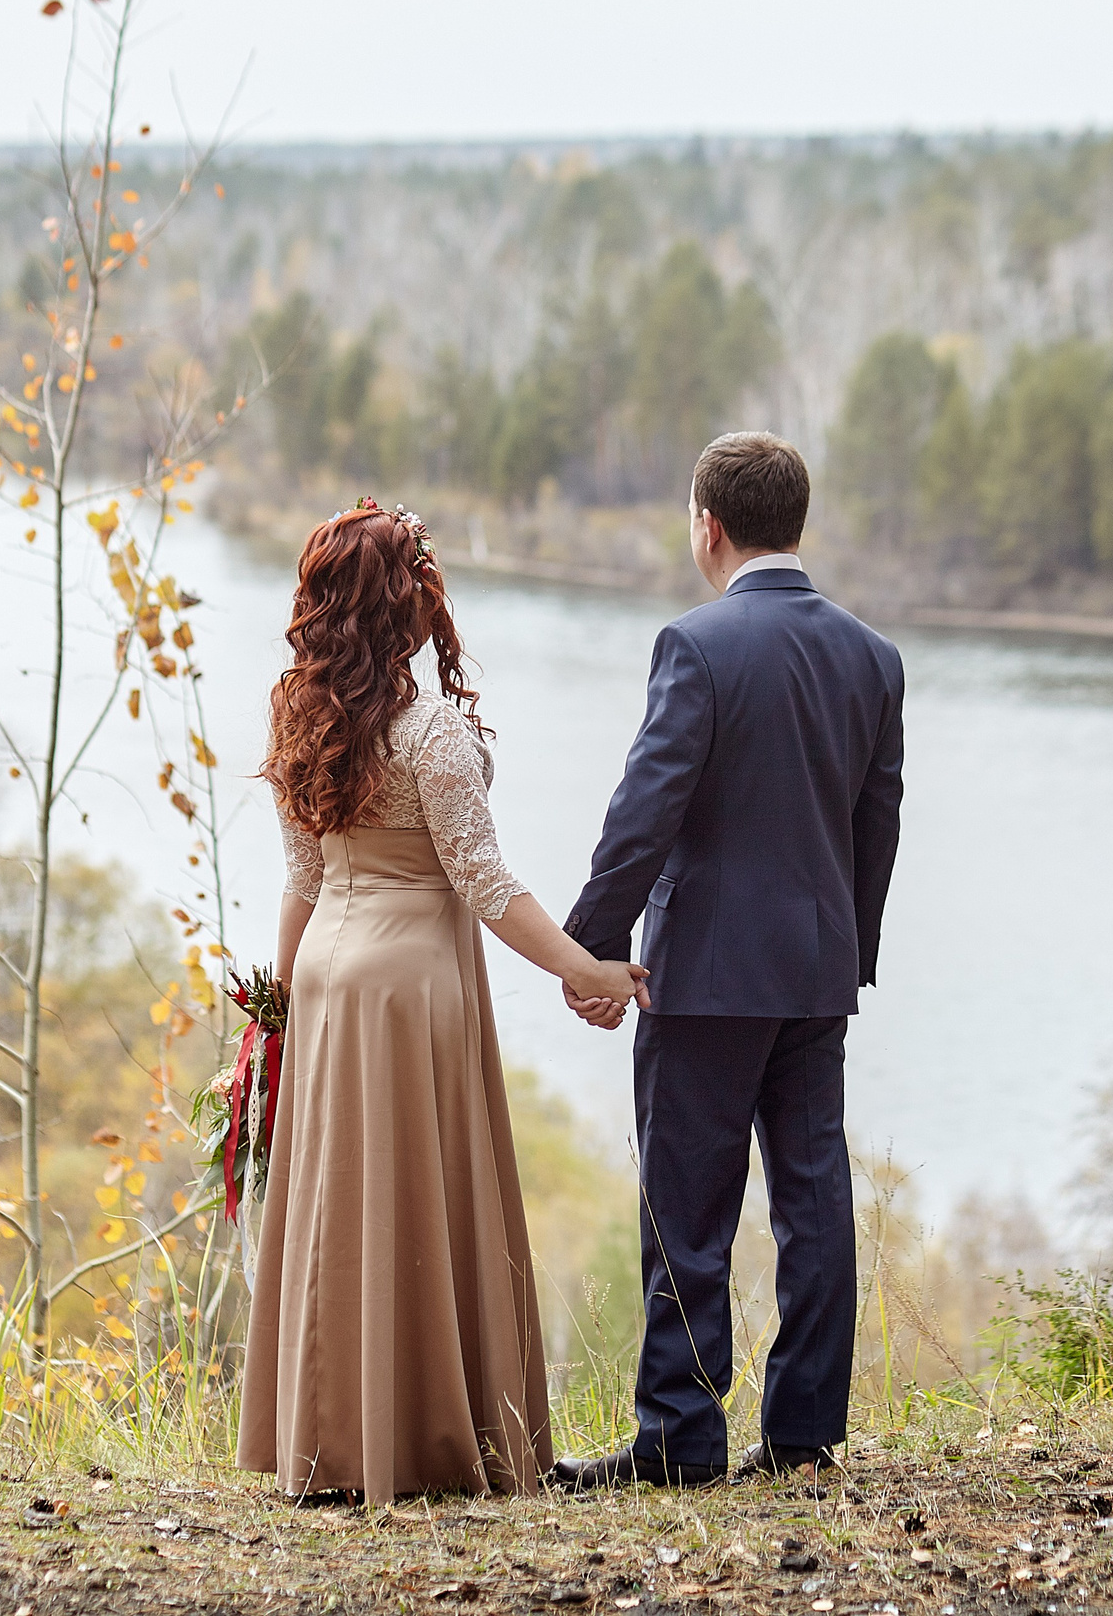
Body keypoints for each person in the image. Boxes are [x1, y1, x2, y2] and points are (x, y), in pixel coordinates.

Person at [240, 499, 649, 1503]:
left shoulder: (299, 714)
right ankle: (426, 1437)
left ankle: (333, 1445)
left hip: (334, 981)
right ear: (404, 607)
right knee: (414, 1200)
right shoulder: (429, 735)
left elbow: (301, 881)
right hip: (411, 983)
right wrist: (586, 971)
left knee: (342, 1204)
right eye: (424, 584)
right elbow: (484, 885)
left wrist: (276, 1015)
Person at [551, 432, 905, 1489]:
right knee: (813, 1203)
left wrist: (590, 948)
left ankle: (678, 1441)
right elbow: (874, 824)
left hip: (701, 977)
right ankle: (800, 1438)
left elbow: (642, 813)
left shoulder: (696, 647)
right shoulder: (872, 656)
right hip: (813, 971)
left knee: (686, 1212)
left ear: (708, 526)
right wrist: (845, 948)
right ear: (796, 523)